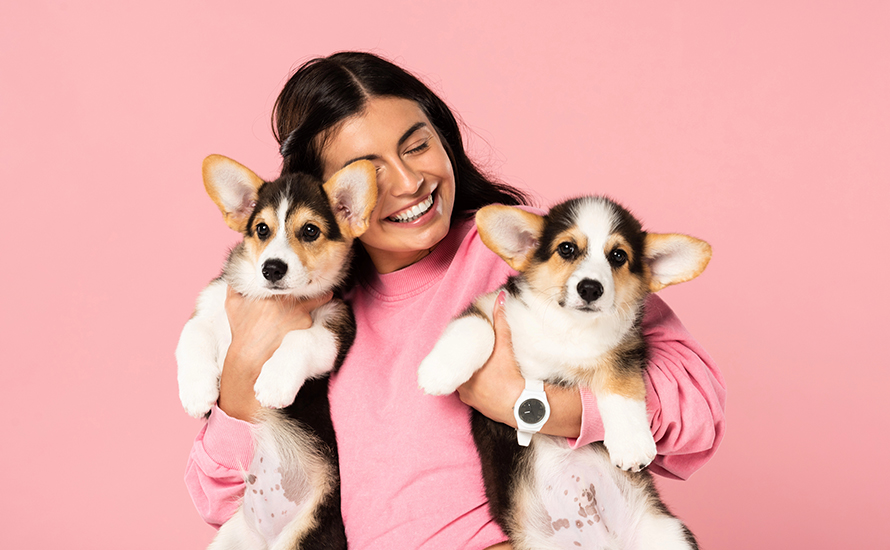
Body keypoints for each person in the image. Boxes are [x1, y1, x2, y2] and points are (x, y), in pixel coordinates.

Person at [185, 51, 726, 550]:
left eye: (418, 145)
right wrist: (238, 379)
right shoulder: (313, 312)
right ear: (336, 201)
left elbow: (697, 411)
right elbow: (218, 498)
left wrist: (527, 406)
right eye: (371, 170)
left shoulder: (534, 261)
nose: (409, 180)